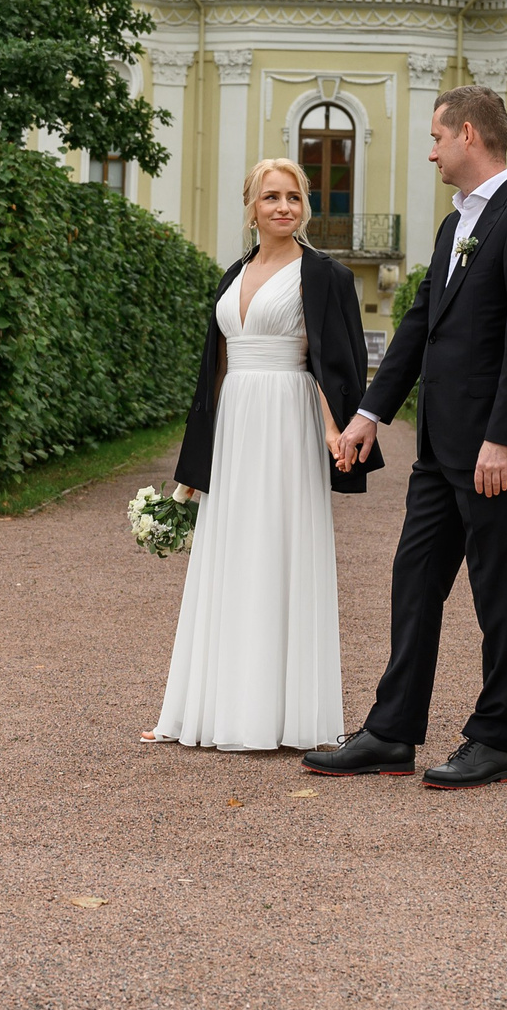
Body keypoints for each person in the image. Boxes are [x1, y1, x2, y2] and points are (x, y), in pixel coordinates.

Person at [306, 86, 507, 789]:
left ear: (470, 134)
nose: (431, 151)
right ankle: (391, 732)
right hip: (439, 449)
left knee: (496, 592)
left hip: (493, 452)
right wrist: (367, 414)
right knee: (413, 579)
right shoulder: (455, 228)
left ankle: (494, 737)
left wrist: (503, 437)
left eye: (437, 138)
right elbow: (418, 326)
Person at [145, 157, 382, 750]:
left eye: (294, 197)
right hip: (235, 423)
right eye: (271, 197)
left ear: (305, 206)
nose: (284, 207)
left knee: (279, 550)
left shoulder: (325, 275)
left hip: (286, 422)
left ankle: (288, 714)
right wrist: (193, 470)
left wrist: (337, 431)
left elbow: (332, 360)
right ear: (251, 206)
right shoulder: (231, 275)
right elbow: (214, 372)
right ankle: (209, 708)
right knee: (229, 554)